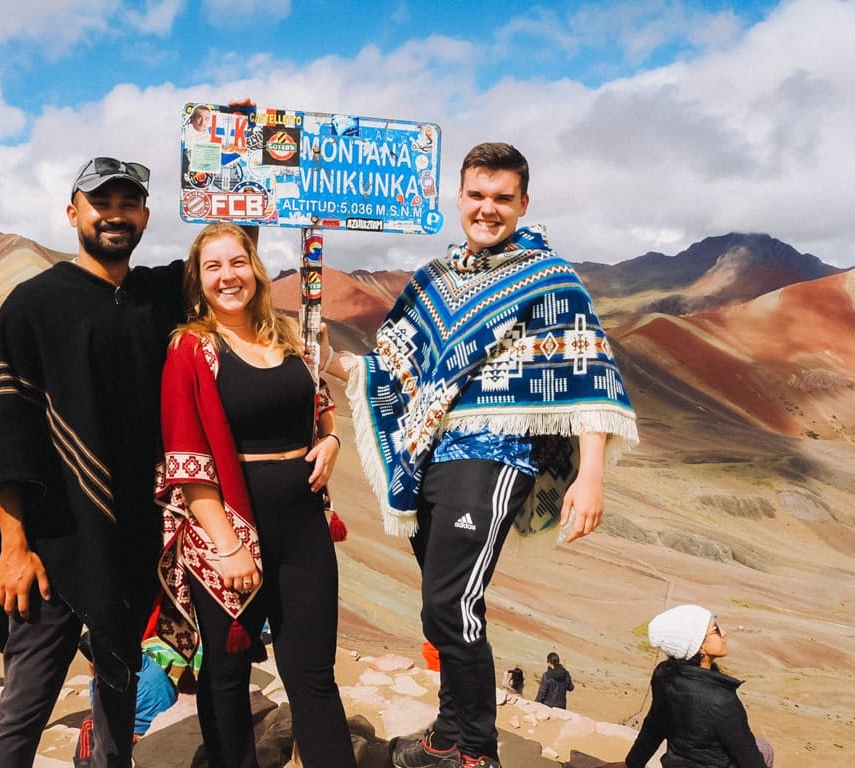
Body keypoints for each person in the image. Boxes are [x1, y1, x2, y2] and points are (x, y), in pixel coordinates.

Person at [322, 142, 638, 768]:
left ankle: (476, 753)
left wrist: (592, 475)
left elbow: (588, 374)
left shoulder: (550, 279)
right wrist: (328, 361)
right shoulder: (436, 280)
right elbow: (396, 367)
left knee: (451, 602)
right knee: (447, 602)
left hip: (498, 456)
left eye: (501, 198)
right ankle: (449, 732)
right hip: (433, 457)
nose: (487, 209)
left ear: (523, 202)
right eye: (476, 196)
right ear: (458, 197)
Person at [0, 155, 184, 768]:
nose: (114, 215)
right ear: (73, 212)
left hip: (132, 543)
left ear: (145, 216)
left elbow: (233, 257)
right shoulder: (34, 304)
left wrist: (253, 165)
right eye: (101, 203)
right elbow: (4, 435)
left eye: (127, 204)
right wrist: (12, 546)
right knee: (23, 710)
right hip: (51, 550)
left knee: (117, 706)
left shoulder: (157, 299)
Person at [152, 221, 356, 768]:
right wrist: (227, 545)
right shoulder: (191, 348)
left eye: (237, 262)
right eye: (212, 266)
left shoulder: (289, 337)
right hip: (228, 525)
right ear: (198, 280)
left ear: (255, 268)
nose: (228, 276)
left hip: (304, 525)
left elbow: (318, 404)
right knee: (226, 673)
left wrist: (332, 438)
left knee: (313, 673)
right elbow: (186, 457)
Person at [616, 604, 774, 768]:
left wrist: (632, 764)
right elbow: (750, 761)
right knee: (765, 749)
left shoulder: (664, 677)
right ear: (699, 646)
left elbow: (654, 728)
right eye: (715, 630)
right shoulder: (722, 700)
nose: (724, 633)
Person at [74, 631, 178, 766]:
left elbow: (101, 715)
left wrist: (95, 674)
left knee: (89, 723)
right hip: (167, 717)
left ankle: (84, 764)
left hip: (139, 732)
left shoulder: (108, 678)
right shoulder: (148, 662)